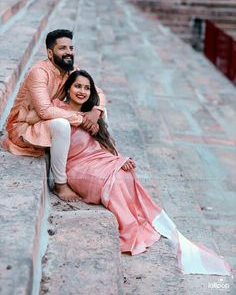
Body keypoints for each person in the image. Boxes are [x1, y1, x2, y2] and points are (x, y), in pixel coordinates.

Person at [52, 69, 232, 275]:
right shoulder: (58, 109)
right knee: (116, 180)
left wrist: (116, 158)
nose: (82, 91)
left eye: (86, 88)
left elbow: (101, 145)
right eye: (77, 86)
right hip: (76, 168)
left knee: (125, 174)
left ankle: (133, 222)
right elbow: (41, 113)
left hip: (96, 161)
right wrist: (78, 116)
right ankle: (128, 228)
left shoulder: (94, 114)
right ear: (68, 88)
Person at [1, 29, 105, 202]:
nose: (69, 52)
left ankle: (102, 158)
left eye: (71, 48)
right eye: (62, 48)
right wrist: (81, 119)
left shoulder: (69, 70)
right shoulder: (39, 72)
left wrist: (95, 112)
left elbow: (97, 91)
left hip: (45, 119)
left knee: (98, 108)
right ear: (50, 53)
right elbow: (45, 111)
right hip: (23, 126)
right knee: (62, 125)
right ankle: (59, 183)